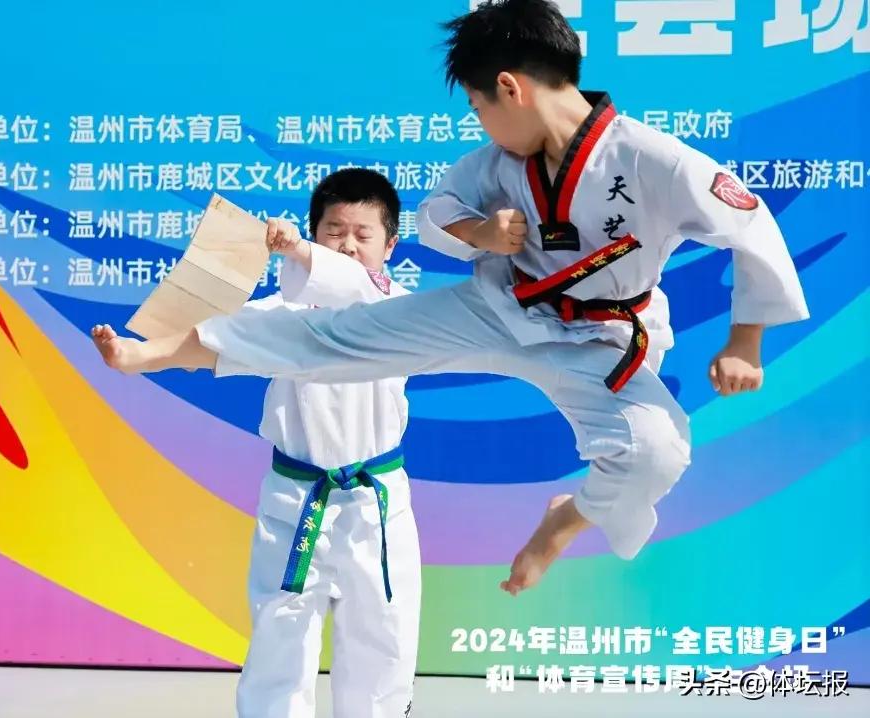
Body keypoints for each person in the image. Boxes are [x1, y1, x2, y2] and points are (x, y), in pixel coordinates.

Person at [95, 0, 808, 599]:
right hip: (496, 310)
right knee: (336, 335)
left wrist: (745, 342)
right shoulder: (497, 164)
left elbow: (747, 227)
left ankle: (564, 521)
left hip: (599, 339)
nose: (480, 124)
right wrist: (481, 231)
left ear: (509, 88)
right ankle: (158, 353)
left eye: (476, 106)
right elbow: (438, 211)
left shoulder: (653, 159)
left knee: (655, 454)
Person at [93, 169, 420, 718]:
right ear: (315, 233)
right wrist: (142, 355)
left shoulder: (396, 308)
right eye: (334, 231)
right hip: (296, 498)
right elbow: (218, 341)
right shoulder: (281, 314)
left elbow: (357, 288)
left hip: (375, 502)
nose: (347, 245)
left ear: (390, 246)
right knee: (279, 641)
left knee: (383, 638)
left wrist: (298, 252)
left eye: (363, 235)